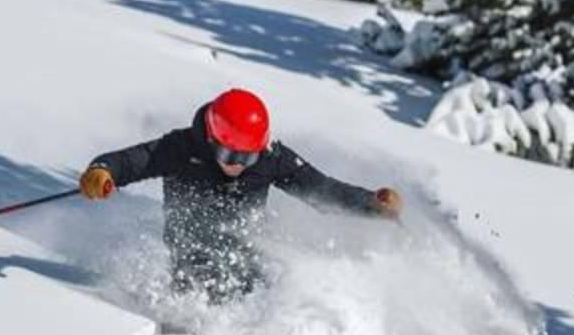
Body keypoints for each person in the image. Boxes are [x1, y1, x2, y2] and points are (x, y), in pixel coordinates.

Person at [79, 88, 402, 303]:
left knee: (267, 291)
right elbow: (130, 161)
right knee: (199, 294)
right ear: (210, 138)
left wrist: (371, 204)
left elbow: (323, 191)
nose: (237, 166)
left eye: (247, 158)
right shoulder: (180, 148)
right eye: (229, 155)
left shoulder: (273, 158)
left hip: (245, 259)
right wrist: (103, 171)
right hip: (188, 259)